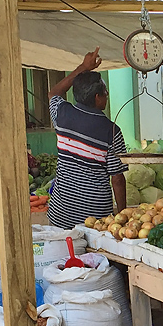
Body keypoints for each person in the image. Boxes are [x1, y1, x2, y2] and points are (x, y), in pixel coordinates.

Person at [46, 47, 127, 230]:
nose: (107, 97)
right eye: (105, 93)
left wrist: (83, 67)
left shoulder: (62, 113)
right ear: (98, 97)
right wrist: (122, 216)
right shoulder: (111, 131)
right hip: (94, 219)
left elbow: (54, 93)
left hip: (61, 213)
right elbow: (117, 179)